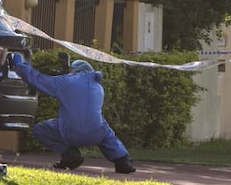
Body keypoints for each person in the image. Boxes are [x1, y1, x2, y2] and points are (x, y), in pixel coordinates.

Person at [8, 53, 136, 174]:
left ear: (74, 71)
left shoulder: (66, 82)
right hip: (96, 133)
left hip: (70, 133)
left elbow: (38, 80)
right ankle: (123, 161)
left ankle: (70, 155)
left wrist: (19, 64)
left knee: (40, 129)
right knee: (106, 131)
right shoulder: (98, 86)